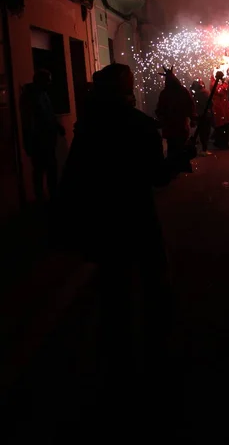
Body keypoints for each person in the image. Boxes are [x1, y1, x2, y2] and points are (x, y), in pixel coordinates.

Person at [54, 63, 172, 387]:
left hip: (104, 222)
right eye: (129, 82)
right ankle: (154, 357)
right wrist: (177, 160)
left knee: (114, 292)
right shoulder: (139, 125)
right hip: (137, 217)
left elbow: (74, 178)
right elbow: (157, 176)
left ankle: (116, 361)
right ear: (124, 88)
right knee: (152, 285)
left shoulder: (89, 127)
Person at [20, 68, 65, 202]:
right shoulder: (32, 96)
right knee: (41, 170)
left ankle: (49, 195)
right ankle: (43, 197)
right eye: (47, 81)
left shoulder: (41, 94)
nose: (49, 84)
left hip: (46, 140)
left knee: (48, 169)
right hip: (39, 142)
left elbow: (48, 115)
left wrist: (56, 126)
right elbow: (30, 121)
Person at [156, 66, 196, 173]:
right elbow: (190, 105)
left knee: (174, 146)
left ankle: (175, 168)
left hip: (173, 126)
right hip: (178, 125)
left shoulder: (165, 93)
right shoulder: (181, 91)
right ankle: (181, 166)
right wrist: (192, 118)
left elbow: (160, 109)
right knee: (179, 145)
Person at [210, 70, 229, 149]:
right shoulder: (214, 83)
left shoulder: (218, 83)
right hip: (219, 108)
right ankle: (221, 144)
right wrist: (226, 82)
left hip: (223, 108)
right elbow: (221, 91)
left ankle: (222, 142)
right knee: (221, 127)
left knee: (225, 126)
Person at [191, 78, 213, 156]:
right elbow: (210, 104)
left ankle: (202, 149)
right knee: (205, 132)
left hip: (199, 115)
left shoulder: (194, 94)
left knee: (201, 132)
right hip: (206, 115)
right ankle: (204, 149)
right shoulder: (205, 93)